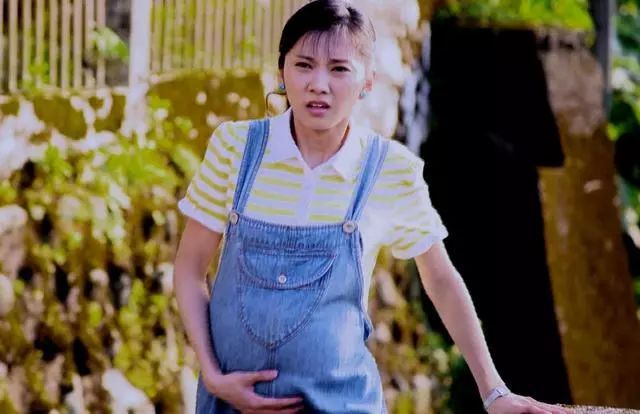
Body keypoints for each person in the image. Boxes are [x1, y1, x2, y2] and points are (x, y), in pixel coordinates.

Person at [173, 1, 573, 413]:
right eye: (304, 65)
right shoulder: (235, 148)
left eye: (339, 69)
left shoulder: (391, 168)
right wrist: (214, 377)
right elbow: (189, 269)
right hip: (227, 404)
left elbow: (440, 279)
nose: (319, 84)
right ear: (281, 71)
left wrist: (494, 393)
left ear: (367, 81)